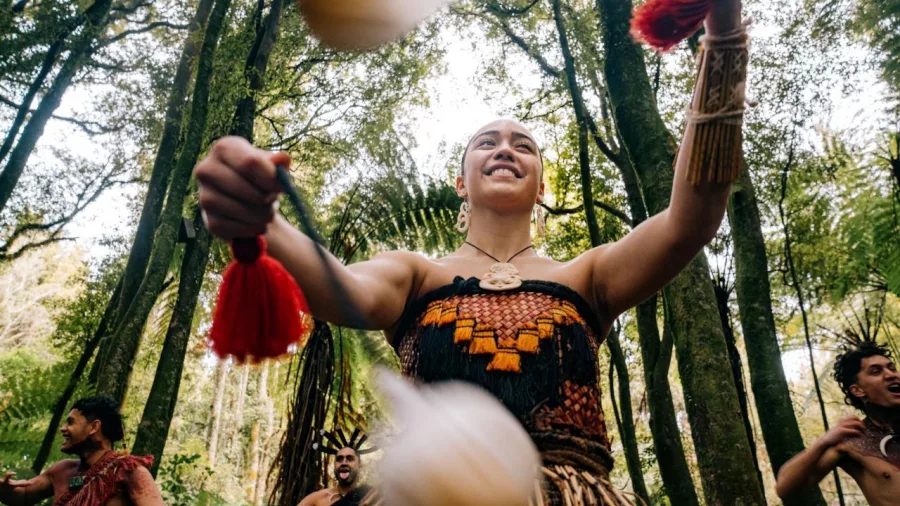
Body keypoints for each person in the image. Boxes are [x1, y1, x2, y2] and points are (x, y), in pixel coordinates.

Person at [194, 0, 747, 502]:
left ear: (541, 185)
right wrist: (267, 222)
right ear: (462, 181)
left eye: (522, 145)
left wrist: (722, 29)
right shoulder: (413, 274)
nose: (505, 148)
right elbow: (343, 290)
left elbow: (692, 217)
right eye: (488, 142)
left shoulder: (590, 274)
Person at [776, 341, 900, 506]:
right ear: (858, 390)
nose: (891, 374)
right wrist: (824, 441)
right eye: (876, 372)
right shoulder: (852, 442)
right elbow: (785, 489)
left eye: (892, 368)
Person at [0, 396, 163, 506]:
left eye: (70, 422)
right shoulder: (62, 470)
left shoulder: (128, 471)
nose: (63, 429)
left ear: (94, 427)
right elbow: (23, 495)